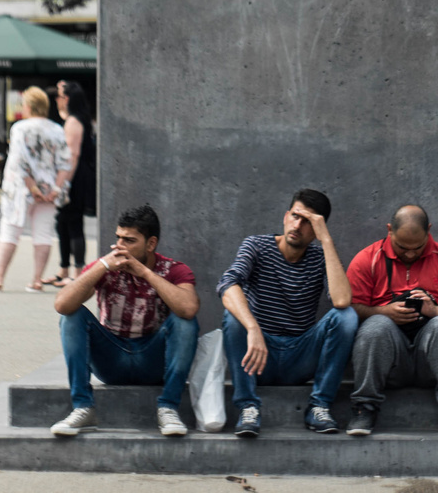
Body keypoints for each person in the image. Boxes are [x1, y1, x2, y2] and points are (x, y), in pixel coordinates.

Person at [50, 203, 199, 438]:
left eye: (129, 240)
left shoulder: (173, 269)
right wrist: (102, 266)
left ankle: (168, 408)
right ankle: (82, 407)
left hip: (152, 361)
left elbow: (189, 308)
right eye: (118, 238)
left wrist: (146, 273)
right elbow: (62, 305)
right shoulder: (106, 266)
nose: (120, 246)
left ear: (150, 244)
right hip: (112, 359)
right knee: (72, 316)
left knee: (185, 322)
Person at [218, 188, 358, 437]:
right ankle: (248, 407)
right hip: (259, 356)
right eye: (295, 216)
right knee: (233, 316)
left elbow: (342, 299)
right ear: (285, 216)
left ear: (318, 228)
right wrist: (253, 328)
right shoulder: (257, 246)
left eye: (308, 222)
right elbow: (228, 284)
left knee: (346, 317)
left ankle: (319, 406)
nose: (297, 225)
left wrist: (326, 241)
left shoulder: (320, 256)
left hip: (300, 357)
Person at [344, 204, 438, 436]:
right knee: (375, 326)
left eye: (417, 247)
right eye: (402, 247)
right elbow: (349, 308)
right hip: (390, 362)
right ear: (389, 230)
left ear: (429, 231)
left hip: (430, 361)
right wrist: (384, 311)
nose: (410, 253)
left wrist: (435, 310)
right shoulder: (367, 259)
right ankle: (364, 408)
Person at [0, 86, 72, 294]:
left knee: (11, 230)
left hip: (21, 189)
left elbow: (19, 161)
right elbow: (65, 163)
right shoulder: (57, 129)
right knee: (43, 233)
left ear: (28, 106)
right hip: (50, 189)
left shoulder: (20, 128)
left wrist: (32, 187)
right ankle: (37, 280)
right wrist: (56, 188)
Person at [43, 81, 96, 289]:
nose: (56, 99)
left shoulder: (74, 122)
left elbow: (72, 156)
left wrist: (62, 184)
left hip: (74, 179)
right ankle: (64, 270)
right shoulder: (76, 119)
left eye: (59, 95)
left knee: (72, 223)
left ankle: (77, 273)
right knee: (63, 222)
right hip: (76, 177)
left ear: (67, 99)